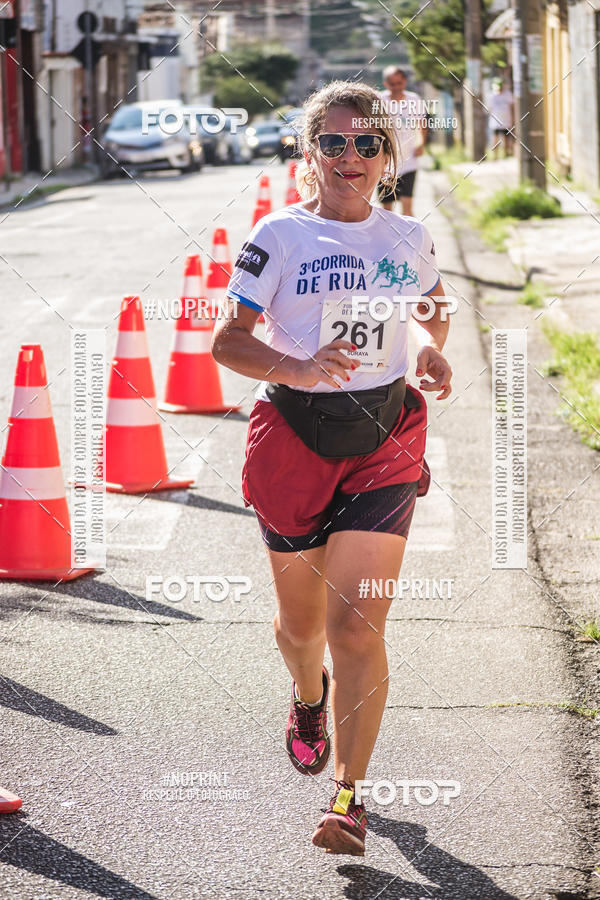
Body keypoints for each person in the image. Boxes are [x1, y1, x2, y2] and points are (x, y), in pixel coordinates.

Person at [212, 80, 452, 856]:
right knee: (302, 630)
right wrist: (302, 365)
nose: (350, 157)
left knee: (357, 627)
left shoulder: (407, 237)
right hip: (293, 436)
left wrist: (428, 352)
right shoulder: (277, 236)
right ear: (308, 152)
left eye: (367, 144)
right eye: (334, 143)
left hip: (384, 439)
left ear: (389, 157)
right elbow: (228, 342)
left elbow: (429, 309)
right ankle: (307, 696)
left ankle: (349, 798)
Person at [377, 66, 428, 217]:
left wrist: (421, 144)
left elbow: (422, 124)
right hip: (386, 162)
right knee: (387, 210)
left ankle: (409, 239)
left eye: (399, 83)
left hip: (409, 160)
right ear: (386, 84)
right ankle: (389, 239)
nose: (396, 87)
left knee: (407, 207)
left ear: (405, 81)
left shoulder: (414, 99)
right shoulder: (380, 100)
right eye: (392, 84)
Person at [488, 78, 514, 158]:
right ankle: (495, 156)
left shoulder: (508, 94)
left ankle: (506, 154)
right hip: (495, 120)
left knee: (506, 137)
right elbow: (489, 108)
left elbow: (512, 106)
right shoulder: (492, 95)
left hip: (506, 119)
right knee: (495, 137)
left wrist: (513, 118)